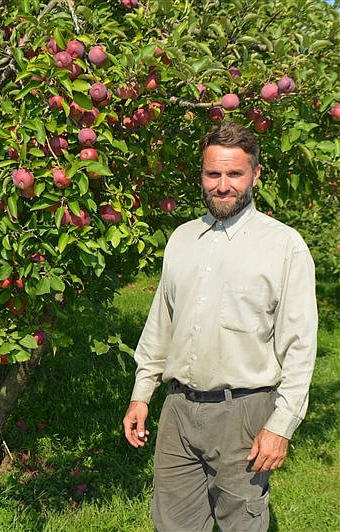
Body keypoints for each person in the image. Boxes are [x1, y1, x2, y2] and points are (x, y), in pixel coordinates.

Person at [123, 120, 317, 532]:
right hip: (177, 411)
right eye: (213, 174)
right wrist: (143, 394)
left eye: (234, 174)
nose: (223, 185)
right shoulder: (182, 239)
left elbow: (300, 348)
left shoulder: (284, 247)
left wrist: (280, 426)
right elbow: (162, 323)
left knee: (241, 524)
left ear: (255, 175)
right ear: (202, 175)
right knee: (171, 524)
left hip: (243, 414)